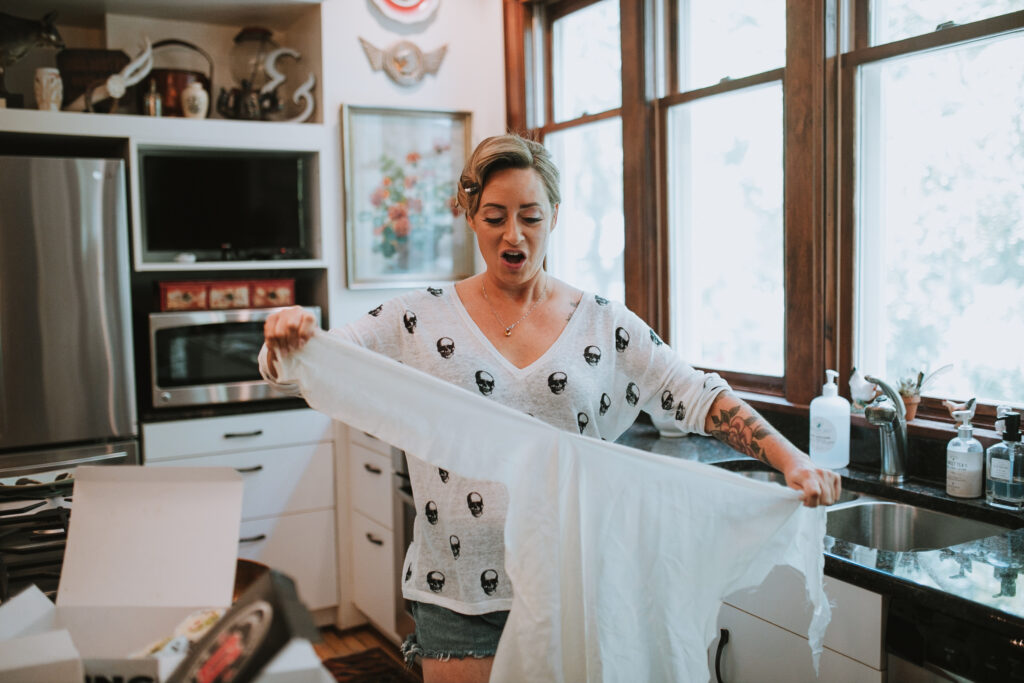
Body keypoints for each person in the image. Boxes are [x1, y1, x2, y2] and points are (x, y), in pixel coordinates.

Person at [261, 133, 841, 683]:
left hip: (576, 586)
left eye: (531, 217)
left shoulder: (602, 323)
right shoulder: (418, 317)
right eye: (495, 218)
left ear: (555, 218)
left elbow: (694, 392)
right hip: (458, 593)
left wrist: (789, 459)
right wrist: (286, 342)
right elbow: (323, 365)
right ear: (471, 219)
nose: (514, 235)